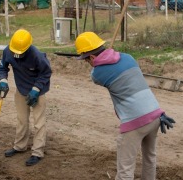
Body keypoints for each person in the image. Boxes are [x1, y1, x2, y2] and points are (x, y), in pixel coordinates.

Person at [74, 32, 175, 179]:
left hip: (136, 121)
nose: (87, 63)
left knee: (125, 168)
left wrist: (99, 63)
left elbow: (95, 75)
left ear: (92, 57)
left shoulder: (97, 73)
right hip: (156, 114)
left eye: (86, 60)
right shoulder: (128, 57)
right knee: (150, 158)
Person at [0, 29, 52, 166]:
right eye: (15, 51)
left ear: (27, 48)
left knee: (39, 123)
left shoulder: (36, 55)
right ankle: (20, 146)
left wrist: (36, 89)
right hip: (21, 89)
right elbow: (2, 67)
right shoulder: (8, 51)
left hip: (37, 92)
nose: (16, 54)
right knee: (22, 120)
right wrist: (3, 80)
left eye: (20, 52)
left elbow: (46, 73)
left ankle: (37, 152)